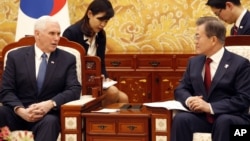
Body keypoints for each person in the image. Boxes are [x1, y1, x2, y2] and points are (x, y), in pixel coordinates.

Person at [0, 15, 81, 141]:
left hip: (47, 115)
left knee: (51, 122)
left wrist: (49, 104)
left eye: (58, 34)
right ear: (37, 34)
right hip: (19, 113)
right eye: (52, 33)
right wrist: (21, 110)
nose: (57, 38)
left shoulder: (67, 59)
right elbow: (6, 90)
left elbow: (74, 89)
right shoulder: (15, 57)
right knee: (2, 112)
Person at [170, 16, 250, 141]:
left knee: (224, 121)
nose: (195, 41)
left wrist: (210, 107)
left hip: (230, 118)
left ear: (213, 40)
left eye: (198, 36)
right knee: (181, 119)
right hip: (202, 118)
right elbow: (181, 89)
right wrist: (189, 99)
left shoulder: (240, 64)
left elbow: (243, 99)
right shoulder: (194, 62)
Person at [63, 0, 128, 107]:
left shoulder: (101, 35)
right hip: (77, 81)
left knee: (124, 98)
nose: (103, 25)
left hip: (94, 79)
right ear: (89, 14)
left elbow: (100, 62)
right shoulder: (71, 33)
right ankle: (99, 122)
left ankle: (114, 123)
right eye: (100, 20)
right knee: (113, 92)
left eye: (106, 21)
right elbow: (66, 65)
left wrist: (105, 77)